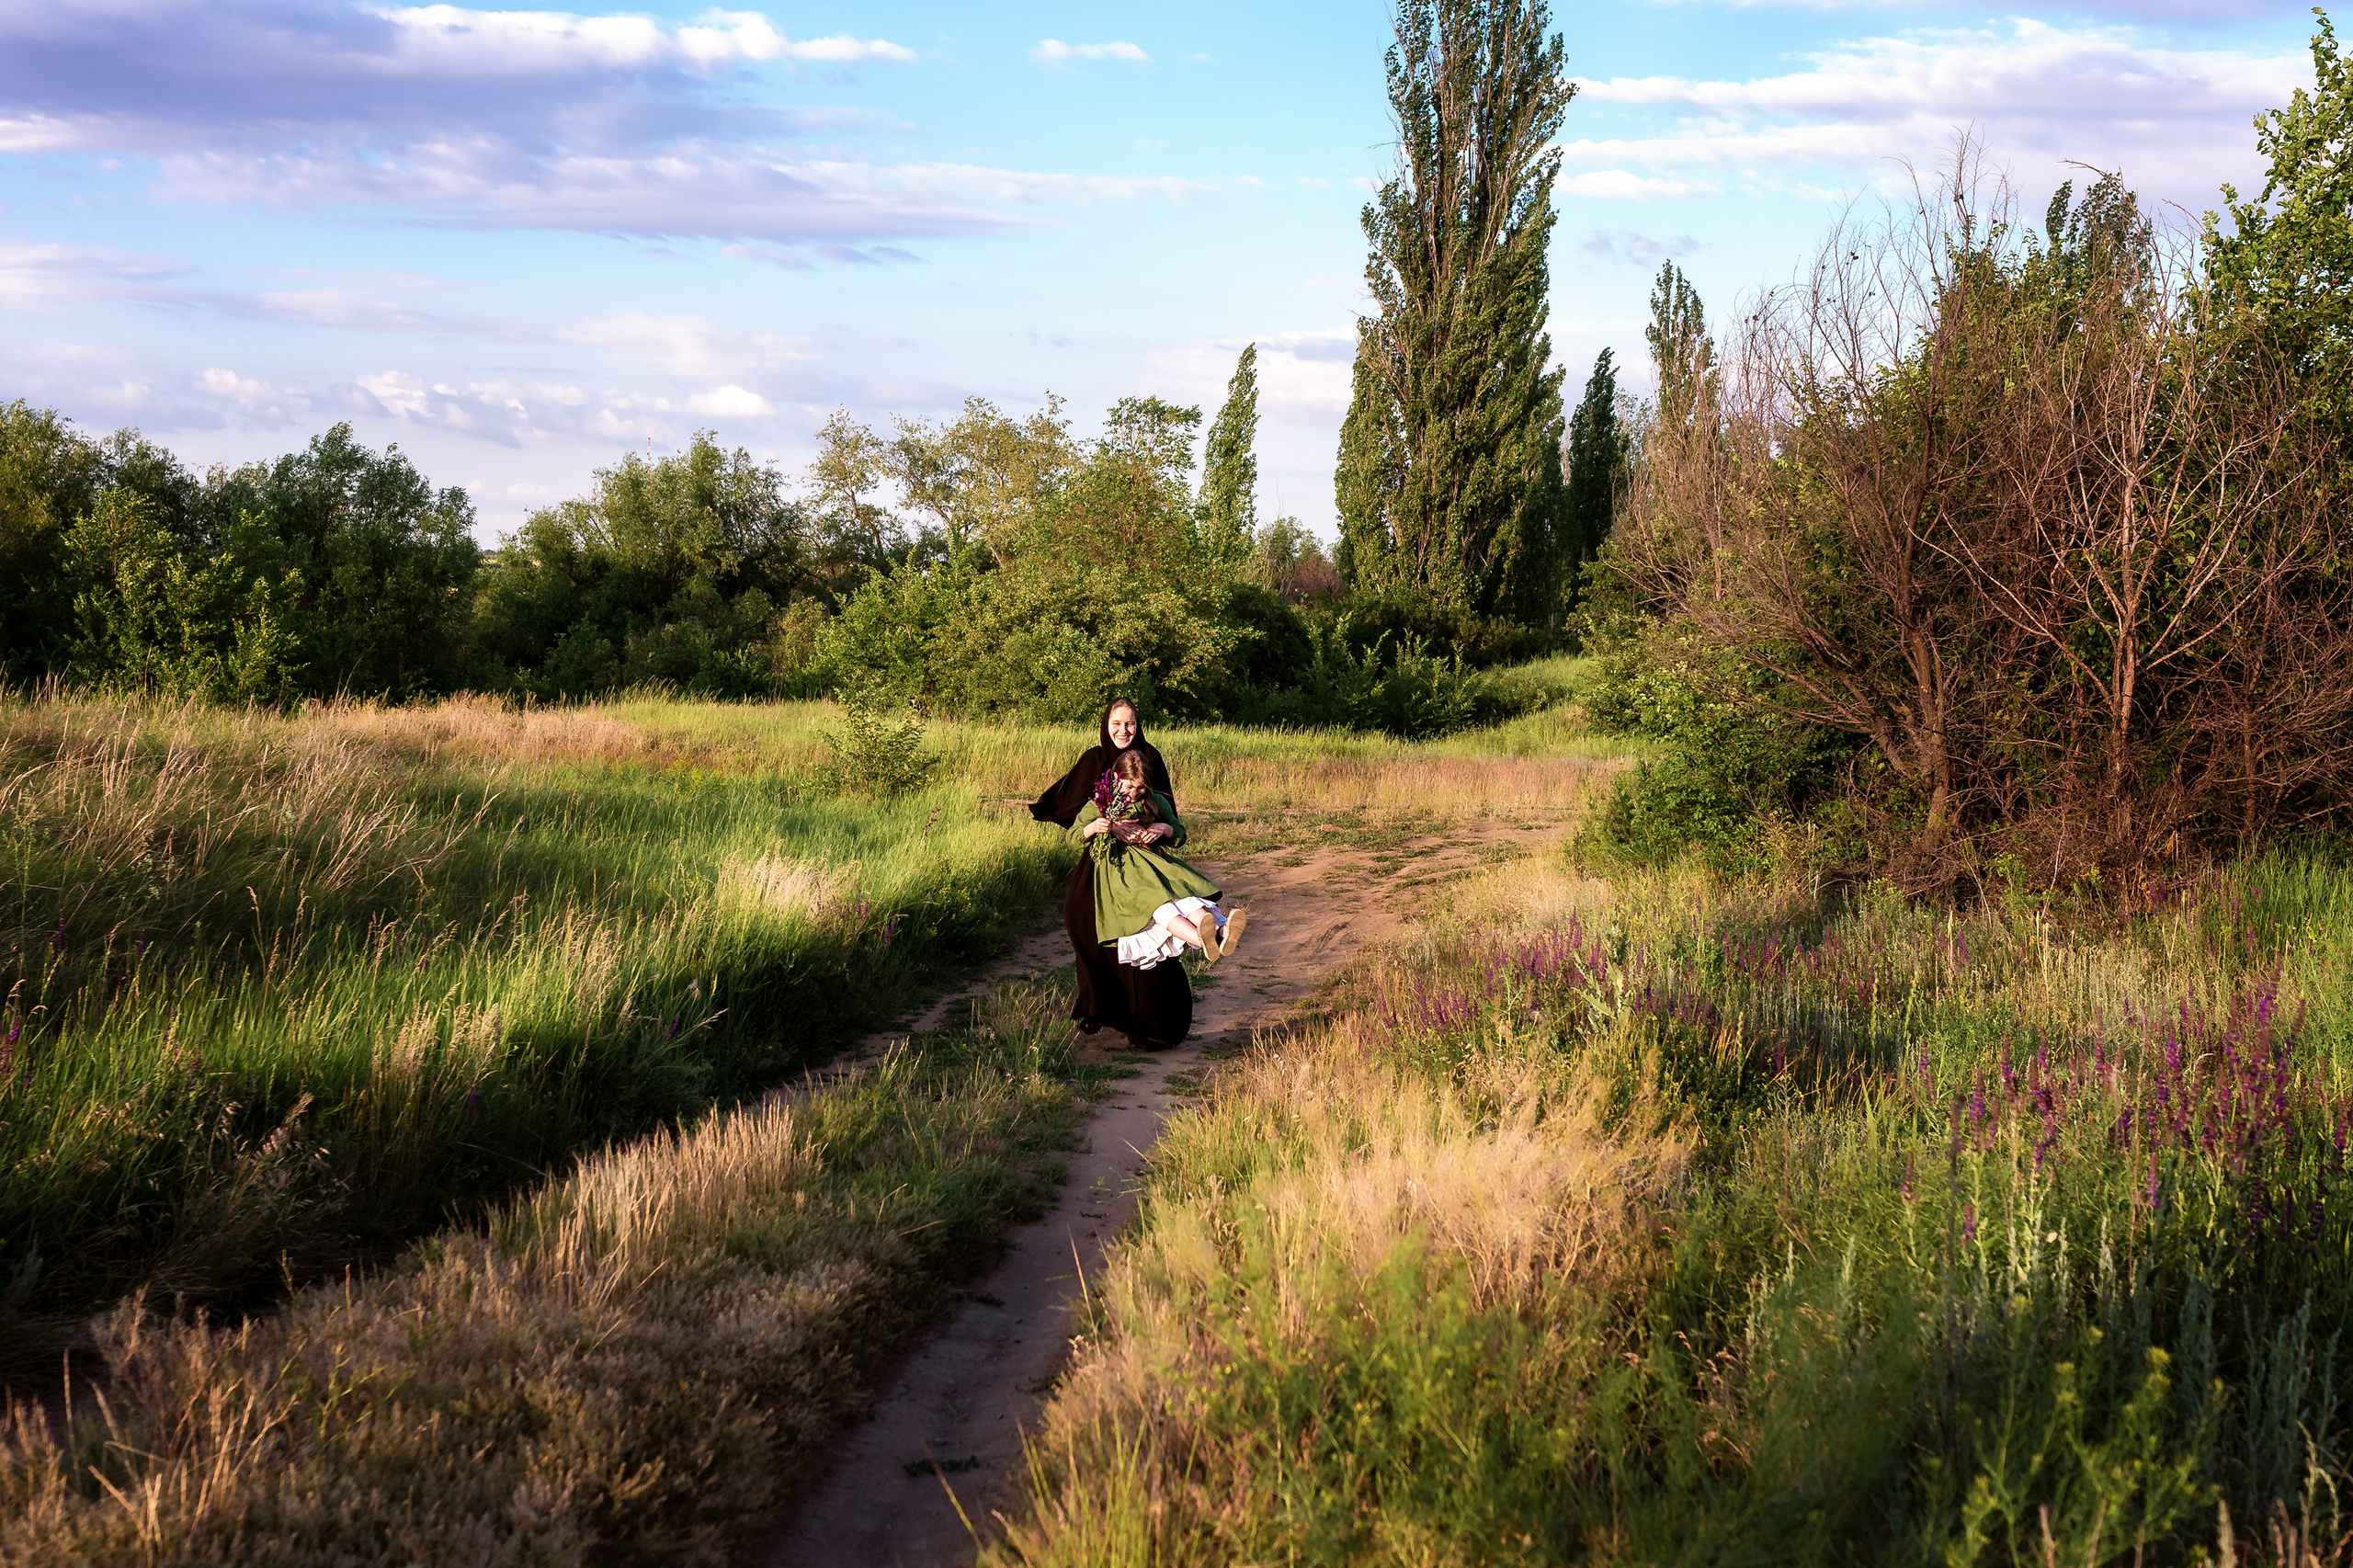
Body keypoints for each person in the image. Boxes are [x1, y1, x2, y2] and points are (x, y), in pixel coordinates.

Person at [1027, 698, 1191, 1046]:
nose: (1123, 730)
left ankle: (1152, 1026)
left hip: (1140, 865)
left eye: (1130, 723)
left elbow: (1167, 815)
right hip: (1098, 864)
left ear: (1138, 724)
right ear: (1106, 724)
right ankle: (1097, 1006)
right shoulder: (1094, 759)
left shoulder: (1152, 758)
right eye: (1116, 723)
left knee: (1144, 936)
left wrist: (1156, 829)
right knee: (1081, 921)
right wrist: (1105, 826)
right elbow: (1075, 812)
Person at [1077, 747, 1246, 970]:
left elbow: (1179, 834)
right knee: (1160, 905)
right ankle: (1206, 940)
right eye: (1128, 787)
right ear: (1115, 778)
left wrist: (1163, 828)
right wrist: (1095, 827)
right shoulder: (1101, 803)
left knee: (1185, 897)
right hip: (1123, 874)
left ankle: (1221, 932)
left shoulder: (1155, 800)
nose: (1134, 793)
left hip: (1156, 865)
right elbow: (1073, 837)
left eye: (1140, 788)